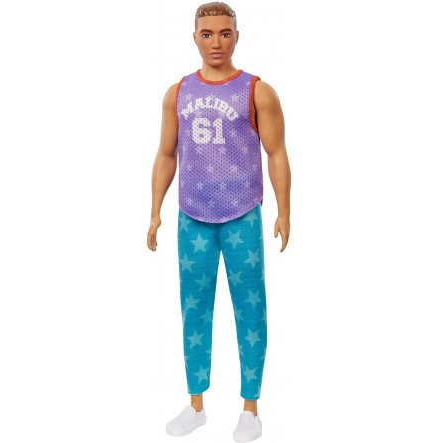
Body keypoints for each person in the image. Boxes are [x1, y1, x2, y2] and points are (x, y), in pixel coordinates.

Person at [147, 2, 291, 441]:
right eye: (207, 34)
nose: (216, 42)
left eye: (225, 33)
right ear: (194, 37)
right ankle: (196, 404)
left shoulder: (256, 91)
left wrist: (284, 210)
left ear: (237, 37)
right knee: (193, 307)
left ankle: (250, 407)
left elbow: (277, 152)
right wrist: (154, 210)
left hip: (242, 213)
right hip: (192, 214)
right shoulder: (178, 92)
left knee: (250, 307)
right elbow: (166, 154)